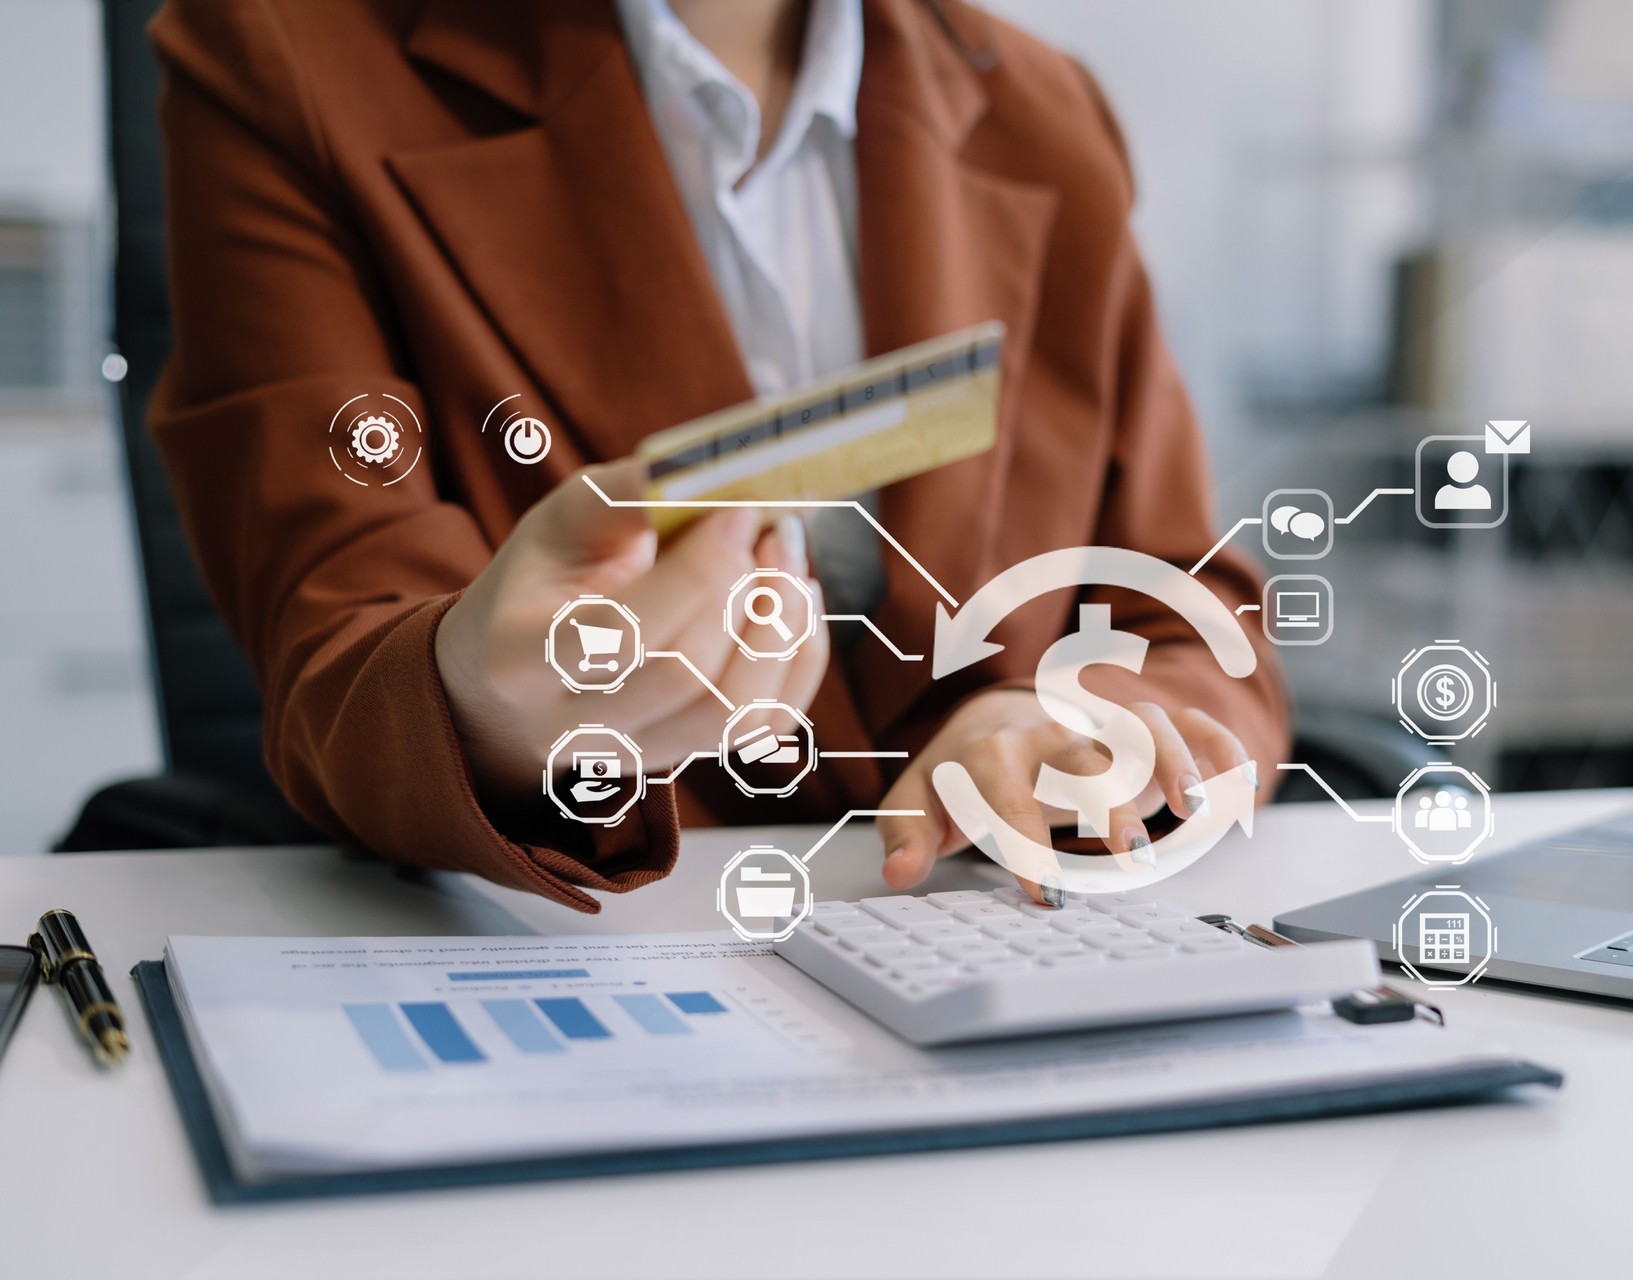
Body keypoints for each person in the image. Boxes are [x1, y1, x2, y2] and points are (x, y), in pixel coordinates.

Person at [148, 0, 1286, 911]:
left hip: (993, 941)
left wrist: (1073, 725)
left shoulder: (1044, 106)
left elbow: (1190, 613)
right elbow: (338, 635)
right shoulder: (281, 53)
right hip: (606, 954)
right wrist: (483, 706)